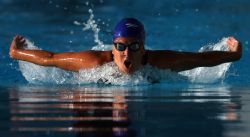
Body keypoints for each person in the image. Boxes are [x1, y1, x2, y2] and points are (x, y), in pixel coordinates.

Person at [9, 18, 242, 74]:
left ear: (144, 48)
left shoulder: (159, 62)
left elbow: (200, 60)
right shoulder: (95, 62)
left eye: (134, 46)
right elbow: (50, 58)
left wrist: (234, 56)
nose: (127, 53)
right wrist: (16, 52)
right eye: (120, 47)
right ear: (113, 49)